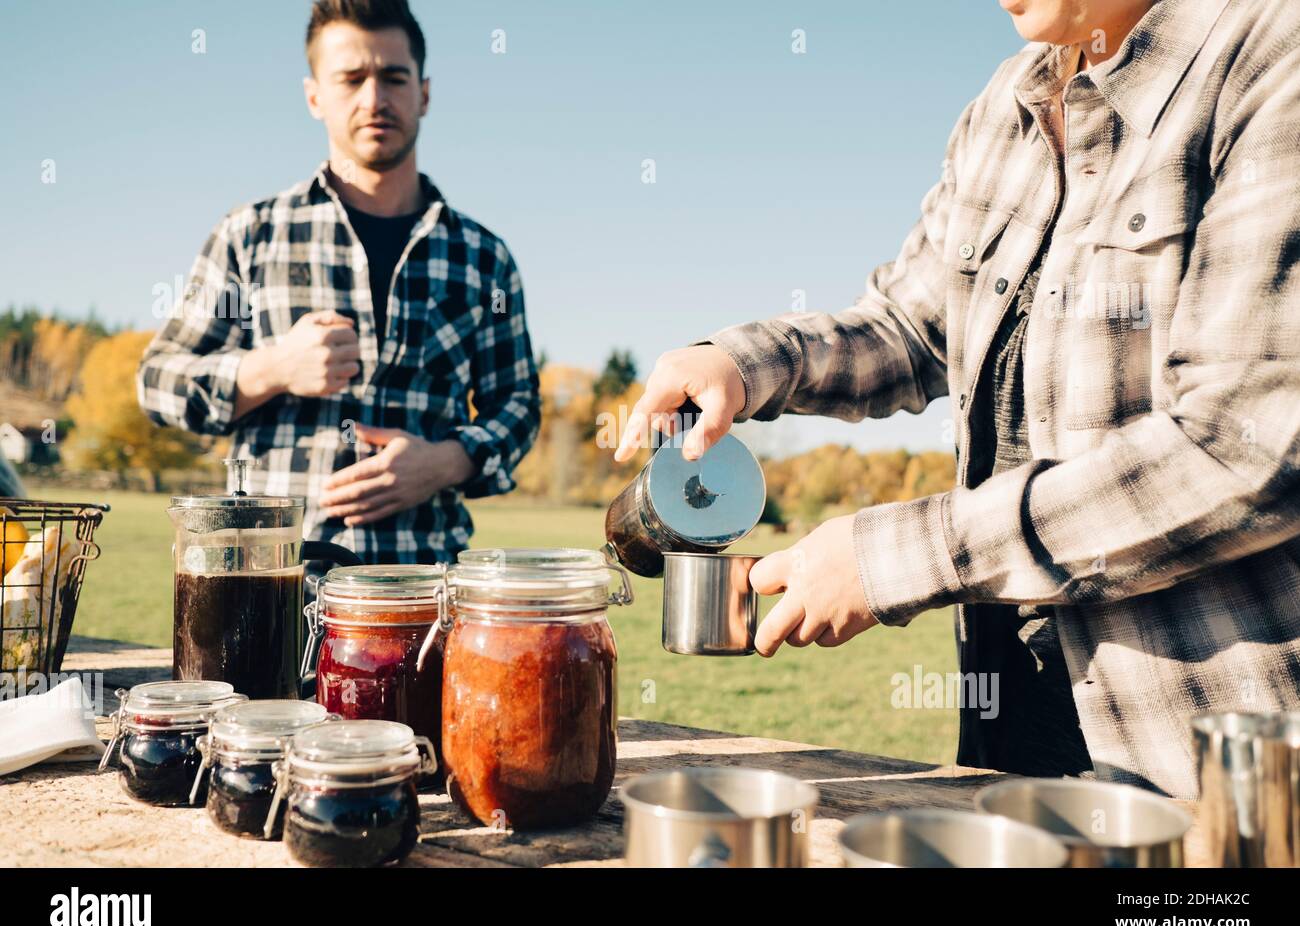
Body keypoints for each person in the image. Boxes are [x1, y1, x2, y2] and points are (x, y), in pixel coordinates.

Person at [616, 0, 1300, 799]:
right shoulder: (999, 108)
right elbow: (913, 326)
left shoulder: (1269, 57)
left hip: (1214, 766)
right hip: (1009, 725)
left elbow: (1243, 447)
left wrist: (891, 558)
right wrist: (746, 360)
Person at [137, 0, 540, 565]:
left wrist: (449, 460)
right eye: (351, 79)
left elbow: (517, 403)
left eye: (393, 78)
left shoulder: (483, 256)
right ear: (314, 96)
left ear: (424, 92)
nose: (374, 99)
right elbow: (158, 380)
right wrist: (274, 366)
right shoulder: (250, 234)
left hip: (423, 589)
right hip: (271, 581)